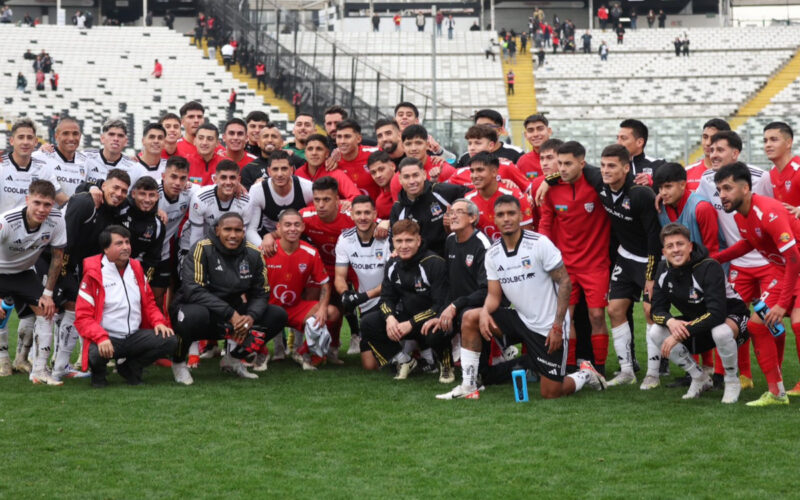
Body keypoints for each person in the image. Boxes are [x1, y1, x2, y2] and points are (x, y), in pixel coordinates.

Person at [439, 195, 606, 399]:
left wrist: (557, 326)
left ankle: (585, 374)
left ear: (521, 216)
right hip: (519, 319)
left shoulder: (539, 244)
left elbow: (565, 283)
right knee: (470, 317)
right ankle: (469, 386)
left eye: (511, 213)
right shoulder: (492, 254)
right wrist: (484, 312)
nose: (506, 218)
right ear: (495, 219)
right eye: (500, 214)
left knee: (551, 393)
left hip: (548, 326)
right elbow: (493, 295)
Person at [712, 162, 800, 406]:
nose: (723, 195)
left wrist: (782, 304)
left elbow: (794, 257)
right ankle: (777, 393)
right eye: (719, 189)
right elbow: (749, 243)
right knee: (758, 326)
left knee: (796, 323)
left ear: (746, 188)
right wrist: (715, 259)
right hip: (784, 270)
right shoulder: (742, 214)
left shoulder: (768, 211)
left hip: (794, 267)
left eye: (728, 188)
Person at [170, 213, 287, 383]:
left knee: (277, 315)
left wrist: (250, 316)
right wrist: (230, 314)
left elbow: (261, 293)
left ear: (243, 232)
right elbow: (193, 290)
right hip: (200, 311)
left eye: (238, 230)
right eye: (227, 229)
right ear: (217, 230)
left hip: (233, 315)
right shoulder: (202, 248)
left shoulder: (253, 253)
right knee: (193, 316)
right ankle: (179, 362)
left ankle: (233, 359)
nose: (233, 235)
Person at [649, 223, 749, 403]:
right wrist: (671, 322)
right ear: (664, 252)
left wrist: (678, 335)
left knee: (721, 331)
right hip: (699, 321)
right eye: (670, 246)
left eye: (680, 244)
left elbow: (717, 314)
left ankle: (732, 381)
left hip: (732, 316)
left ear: (690, 247)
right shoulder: (663, 269)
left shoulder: (709, 267)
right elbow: (656, 309)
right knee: (656, 331)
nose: (676, 250)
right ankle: (699, 377)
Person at [539, 142, 612, 374]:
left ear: (582, 163)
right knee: (566, 316)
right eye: (559, 163)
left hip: (595, 264)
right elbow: (546, 224)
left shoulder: (597, 187)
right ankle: (569, 366)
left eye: (568, 163)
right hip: (566, 266)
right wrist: (545, 256)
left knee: (597, 315)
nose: (562, 168)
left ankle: (599, 369)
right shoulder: (551, 188)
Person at [75, 225, 177, 387]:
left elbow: (149, 303)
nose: (125, 247)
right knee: (94, 352)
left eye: (127, 242)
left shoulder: (136, 267)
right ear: (106, 249)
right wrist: (101, 338)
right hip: (108, 338)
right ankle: (99, 376)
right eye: (119, 243)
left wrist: (158, 321)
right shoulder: (93, 274)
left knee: (170, 340)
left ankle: (131, 367)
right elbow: (82, 317)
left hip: (134, 336)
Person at [361, 219, 451, 379]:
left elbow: (441, 305)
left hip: (431, 318)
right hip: (406, 318)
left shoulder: (434, 263)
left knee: (438, 328)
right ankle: (404, 361)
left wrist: (411, 324)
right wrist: (389, 318)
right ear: (392, 242)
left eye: (409, 240)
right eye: (399, 241)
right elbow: (386, 298)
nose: (404, 246)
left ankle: (446, 365)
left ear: (418, 240)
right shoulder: (393, 263)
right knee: (368, 323)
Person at [0, 181, 65, 383]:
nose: (42, 209)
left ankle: (39, 371)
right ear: (27, 200)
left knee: (47, 311)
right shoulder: (7, 221)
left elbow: (57, 256)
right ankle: (3, 361)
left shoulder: (57, 219)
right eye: (37, 202)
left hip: (24, 273)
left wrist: (47, 294)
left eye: (47, 204)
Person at [264, 209, 340, 370]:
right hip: (268, 309)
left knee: (332, 312)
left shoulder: (310, 252)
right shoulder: (266, 250)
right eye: (288, 225)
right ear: (278, 227)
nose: (292, 229)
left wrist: (323, 308)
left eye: (297, 225)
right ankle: (260, 352)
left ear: (303, 227)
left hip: (295, 307)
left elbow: (325, 283)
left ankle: (302, 350)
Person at [334, 195, 390, 362]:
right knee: (369, 364)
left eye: (367, 213)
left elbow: (392, 281)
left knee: (391, 347)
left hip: (392, 300)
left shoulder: (388, 236)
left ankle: (413, 352)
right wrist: (345, 294)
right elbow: (339, 276)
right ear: (351, 215)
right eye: (358, 213)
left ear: (375, 214)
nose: (363, 217)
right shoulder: (345, 239)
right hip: (366, 305)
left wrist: (363, 296)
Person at [390, 157, 467, 256]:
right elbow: (394, 243)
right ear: (400, 179)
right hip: (418, 262)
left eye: (415, 175)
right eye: (406, 177)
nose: (412, 181)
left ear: (424, 175)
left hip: (449, 256)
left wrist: (458, 218)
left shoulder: (442, 192)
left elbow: (473, 196)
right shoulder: (398, 208)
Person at [246, 150, 314, 248]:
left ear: (291, 170)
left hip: (299, 235)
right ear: (269, 171)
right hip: (268, 236)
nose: (279, 174)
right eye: (275, 169)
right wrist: (263, 247)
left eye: (284, 169)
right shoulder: (258, 190)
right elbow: (251, 229)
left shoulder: (306, 187)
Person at [463, 153, 533, 241]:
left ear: (494, 172)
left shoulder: (515, 196)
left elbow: (527, 235)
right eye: (472, 171)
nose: (475, 176)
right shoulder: (468, 200)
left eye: (480, 170)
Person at [0, 119, 63, 214]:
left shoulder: (43, 169)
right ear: (12, 141)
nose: (25, 142)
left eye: (29, 138)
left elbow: (61, 198)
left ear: (36, 141)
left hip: (34, 228)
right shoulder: (1, 166)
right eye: (21, 137)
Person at [185, 160, 251, 249]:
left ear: (238, 180)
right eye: (223, 177)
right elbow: (196, 236)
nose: (228, 182)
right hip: (193, 243)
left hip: (226, 244)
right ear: (215, 179)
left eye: (232, 178)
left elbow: (242, 236)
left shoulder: (246, 200)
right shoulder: (200, 198)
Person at [32, 116, 87, 199]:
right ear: (56, 136)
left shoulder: (86, 161)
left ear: (80, 136)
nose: (71, 138)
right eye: (66, 133)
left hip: (75, 211)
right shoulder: (41, 157)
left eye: (75, 134)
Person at [295, 134, 360, 200]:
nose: (314, 153)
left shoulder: (336, 174)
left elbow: (356, 197)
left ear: (327, 153)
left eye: (319, 149)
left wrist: (341, 204)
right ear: (305, 153)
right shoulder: (298, 173)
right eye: (310, 149)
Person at [84, 119, 147, 186]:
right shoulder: (85, 158)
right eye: (111, 134)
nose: (116, 139)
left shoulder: (134, 167)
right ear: (102, 138)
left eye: (120, 136)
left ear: (126, 142)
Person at [685, 118, 731, 192]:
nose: (708, 143)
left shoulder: (740, 174)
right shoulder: (686, 172)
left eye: (714, 138)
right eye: (705, 137)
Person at [617, 118, 664, 186]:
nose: (618, 143)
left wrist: (653, 183)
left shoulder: (658, 165)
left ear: (639, 142)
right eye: (617, 138)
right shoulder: (612, 167)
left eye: (623, 138)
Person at [517, 114, 552, 180]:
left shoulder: (562, 155)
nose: (535, 134)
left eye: (540, 129)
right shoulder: (523, 161)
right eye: (531, 130)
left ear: (549, 131)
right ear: (526, 135)